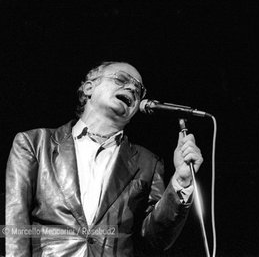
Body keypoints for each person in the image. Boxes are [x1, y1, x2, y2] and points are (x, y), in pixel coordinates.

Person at [5, 61, 203, 256]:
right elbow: (16, 222)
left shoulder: (148, 163)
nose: (132, 88)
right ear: (89, 87)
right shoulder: (35, 143)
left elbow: (154, 240)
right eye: (121, 79)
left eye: (139, 90)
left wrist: (181, 181)